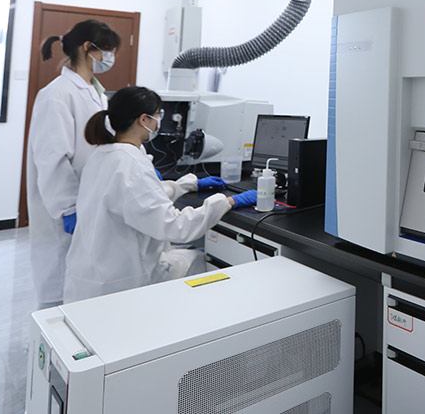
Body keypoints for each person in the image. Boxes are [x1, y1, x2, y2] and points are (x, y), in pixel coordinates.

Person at [63, 85, 258, 303]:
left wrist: (188, 184)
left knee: (185, 254)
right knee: (204, 260)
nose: (158, 122)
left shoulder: (102, 154)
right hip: (122, 284)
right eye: (158, 115)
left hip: (87, 276)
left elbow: (138, 199)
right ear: (143, 120)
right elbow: (176, 226)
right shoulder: (131, 164)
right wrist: (226, 201)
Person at [26, 20, 121, 308]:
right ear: (88, 48)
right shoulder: (56, 95)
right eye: (108, 51)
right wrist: (68, 208)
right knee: (59, 289)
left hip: (90, 199)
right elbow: (52, 158)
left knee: (82, 289)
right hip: (65, 209)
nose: (110, 58)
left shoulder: (96, 92)